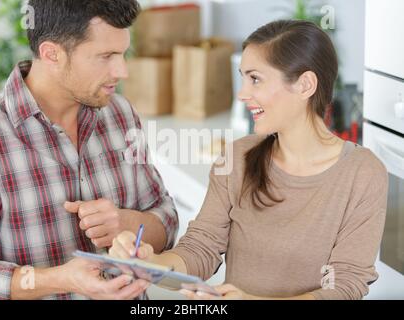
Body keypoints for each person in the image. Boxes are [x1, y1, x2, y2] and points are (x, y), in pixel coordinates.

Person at [109, 20, 388, 300]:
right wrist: (150, 264)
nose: (242, 94)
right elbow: (200, 249)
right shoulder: (237, 158)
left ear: (305, 85)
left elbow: (344, 286)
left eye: (255, 79)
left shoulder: (362, 173)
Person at [0, 0, 178, 300]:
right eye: (106, 56)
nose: (122, 70)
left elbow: (166, 217)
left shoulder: (121, 114)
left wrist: (126, 223)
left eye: (123, 53)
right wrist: (58, 279)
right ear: (52, 54)